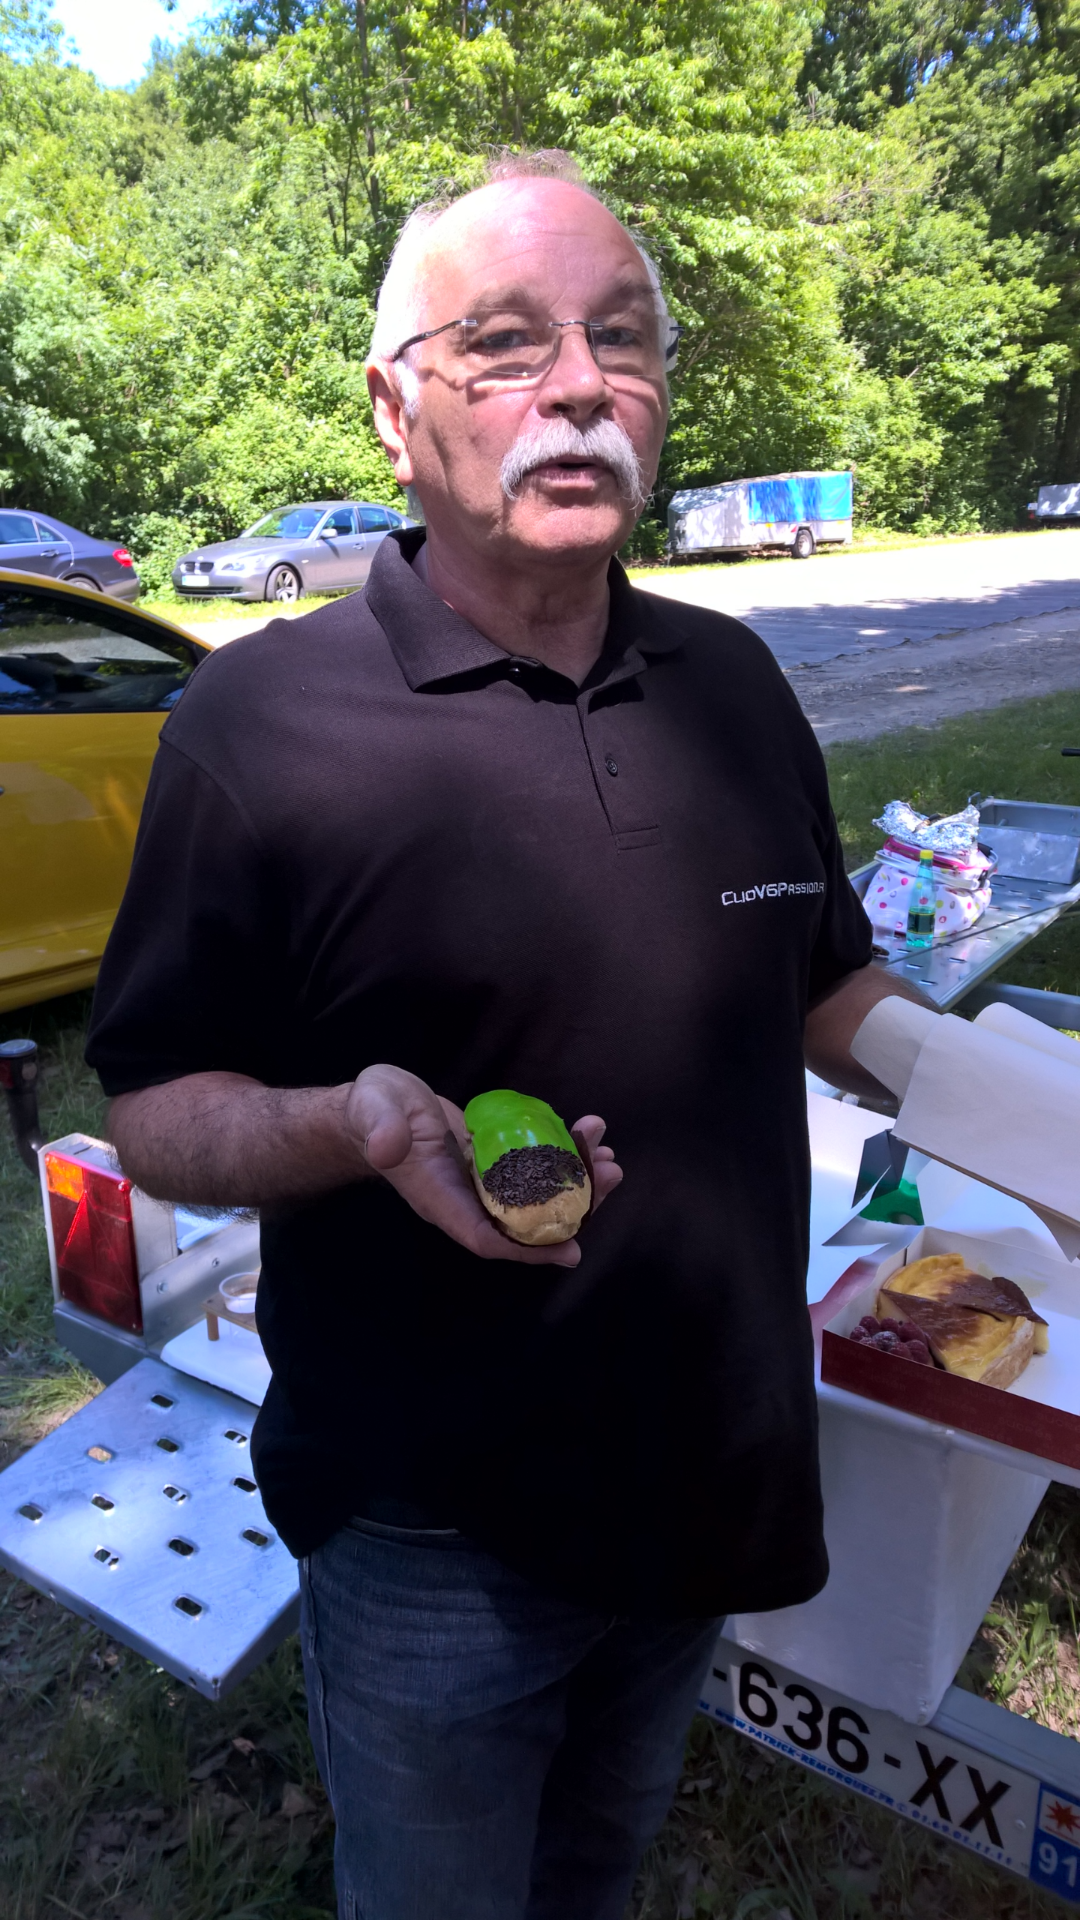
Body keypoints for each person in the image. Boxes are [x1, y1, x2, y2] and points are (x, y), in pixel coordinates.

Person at [87, 150, 928, 1920]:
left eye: (622, 339)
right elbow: (155, 1104)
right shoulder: (262, 721)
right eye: (503, 342)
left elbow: (831, 988)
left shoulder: (732, 686)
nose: (580, 385)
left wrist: (1030, 1102)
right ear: (394, 409)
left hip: (709, 1468)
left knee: (599, 1872)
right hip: (431, 1528)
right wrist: (352, 1125)